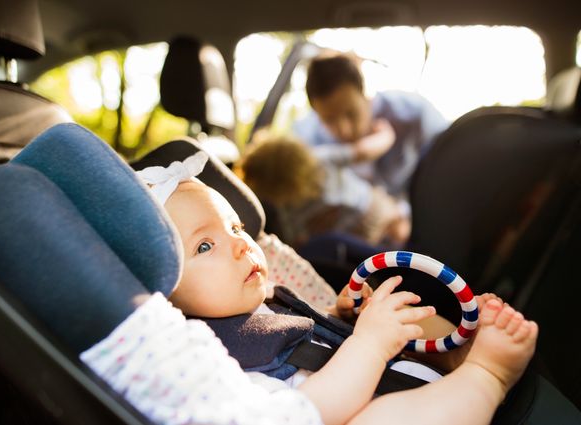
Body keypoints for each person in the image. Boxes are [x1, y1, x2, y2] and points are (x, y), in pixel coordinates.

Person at [129, 150, 538, 425]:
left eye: (235, 227)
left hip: (400, 383)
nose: (240, 244)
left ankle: (456, 351)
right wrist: (370, 344)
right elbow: (306, 410)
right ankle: (488, 374)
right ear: (164, 290)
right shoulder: (209, 358)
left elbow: (310, 343)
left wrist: (343, 320)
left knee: (398, 311)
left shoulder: (269, 299)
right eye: (205, 245)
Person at [293, 51, 450, 200]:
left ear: (364, 93)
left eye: (351, 114)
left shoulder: (412, 114)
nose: (344, 130)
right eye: (329, 120)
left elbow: (450, 160)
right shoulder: (307, 140)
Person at [238, 135, 411, 248]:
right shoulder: (319, 158)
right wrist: (385, 135)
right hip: (368, 208)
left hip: (355, 232)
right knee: (402, 233)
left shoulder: (287, 207)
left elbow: (296, 242)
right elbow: (363, 151)